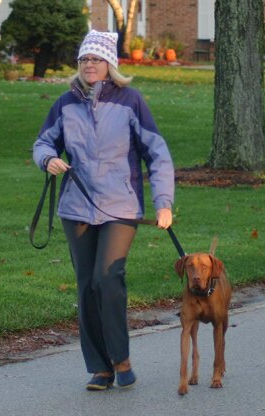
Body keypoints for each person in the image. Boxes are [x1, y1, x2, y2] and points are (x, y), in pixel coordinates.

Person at [33, 30, 175, 391]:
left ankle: (121, 358)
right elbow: (43, 142)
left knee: (107, 279)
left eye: (96, 59)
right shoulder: (65, 103)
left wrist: (163, 203)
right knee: (86, 287)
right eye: (84, 59)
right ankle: (100, 369)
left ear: (110, 64)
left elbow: (157, 154)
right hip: (76, 207)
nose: (89, 65)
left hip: (120, 206)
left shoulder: (131, 101)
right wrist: (47, 158)